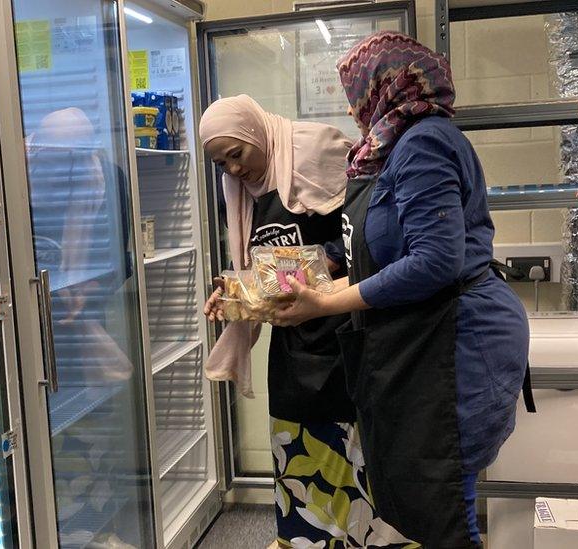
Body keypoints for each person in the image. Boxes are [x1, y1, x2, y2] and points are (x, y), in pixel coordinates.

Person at [274, 32, 532, 548]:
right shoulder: (386, 151)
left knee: (442, 502)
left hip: (456, 341)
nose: (353, 112)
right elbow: (379, 261)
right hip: (425, 337)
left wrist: (323, 303)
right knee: (421, 499)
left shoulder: (423, 141)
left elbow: (434, 262)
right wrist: (295, 291)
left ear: (383, 88)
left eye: (356, 97)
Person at [200, 95, 414, 548]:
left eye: (236, 155)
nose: (233, 171)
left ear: (255, 134)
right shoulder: (237, 192)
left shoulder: (314, 152)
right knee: (300, 458)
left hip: (350, 329)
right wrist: (236, 288)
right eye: (221, 163)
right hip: (294, 348)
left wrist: (315, 269)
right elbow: (263, 266)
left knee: (359, 460)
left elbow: (370, 234)